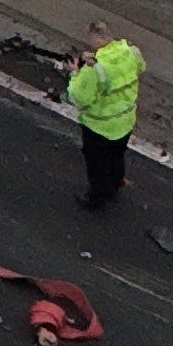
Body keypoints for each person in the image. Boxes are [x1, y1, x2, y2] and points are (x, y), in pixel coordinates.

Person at [66, 21, 143, 209]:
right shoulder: (132, 52)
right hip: (125, 120)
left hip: (99, 126)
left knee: (97, 166)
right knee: (117, 155)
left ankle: (97, 199)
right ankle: (116, 183)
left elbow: (78, 97)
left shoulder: (94, 69)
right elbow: (138, 67)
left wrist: (76, 73)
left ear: (95, 37)